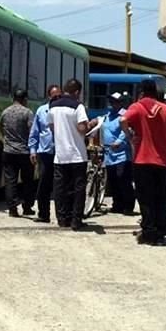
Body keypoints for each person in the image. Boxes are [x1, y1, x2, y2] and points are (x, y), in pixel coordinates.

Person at [122, 79, 166, 245]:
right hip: (163, 162)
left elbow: (122, 121)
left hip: (142, 160)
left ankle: (149, 232)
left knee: (145, 199)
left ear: (141, 92)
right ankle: (160, 233)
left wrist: (130, 136)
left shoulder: (138, 107)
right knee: (161, 198)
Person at [48, 78, 98, 230]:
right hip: (77, 155)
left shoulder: (53, 106)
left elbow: (51, 126)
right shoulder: (78, 106)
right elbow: (82, 128)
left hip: (60, 155)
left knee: (60, 189)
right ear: (77, 92)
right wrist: (93, 124)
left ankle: (62, 219)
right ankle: (76, 220)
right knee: (78, 189)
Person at [0, 88, 35, 218]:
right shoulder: (27, 113)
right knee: (27, 181)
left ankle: (12, 208)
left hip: (8, 151)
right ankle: (27, 207)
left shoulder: (5, 112)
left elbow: (1, 129)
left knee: (10, 181)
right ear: (24, 99)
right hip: (24, 152)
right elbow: (32, 132)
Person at [29, 84, 61, 223]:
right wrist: (32, 150)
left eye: (59, 96)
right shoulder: (42, 111)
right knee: (43, 185)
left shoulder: (63, 111)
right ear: (49, 96)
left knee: (60, 186)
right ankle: (43, 214)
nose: (57, 99)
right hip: (45, 152)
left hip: (61, 152)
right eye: (54, 96)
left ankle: (62, 215)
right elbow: (35, 132)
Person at [102, 92, 135, 215]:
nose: (112, 104)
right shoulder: (108, 116)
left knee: (123, 180)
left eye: (115, 102)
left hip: (122, 154)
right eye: (111, 102)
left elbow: (126, 130)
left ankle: (128, 205)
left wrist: (119, 141)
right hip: (109, 154)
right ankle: (117, 204)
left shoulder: (125, 115)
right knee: (113, 180)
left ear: (121, 103)